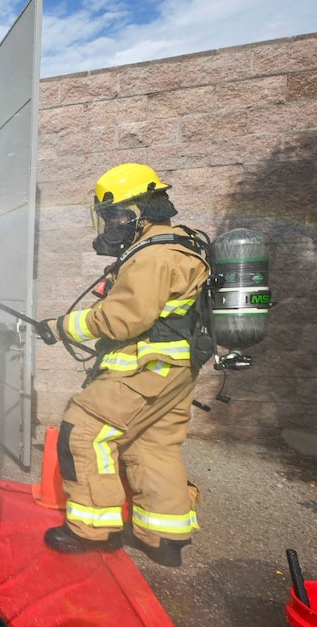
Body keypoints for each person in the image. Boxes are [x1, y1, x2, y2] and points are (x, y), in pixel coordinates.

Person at [39, 163, 211, 568]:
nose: (111, 224)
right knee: (154, 445)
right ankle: (164, 537)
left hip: (145, 368)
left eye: (116, 215)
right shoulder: (175, 247)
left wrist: (59, 327)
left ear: (142, 211)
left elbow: (121, 319)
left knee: (83, 431)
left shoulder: (153, 256)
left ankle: (93, 530)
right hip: (175, 372)